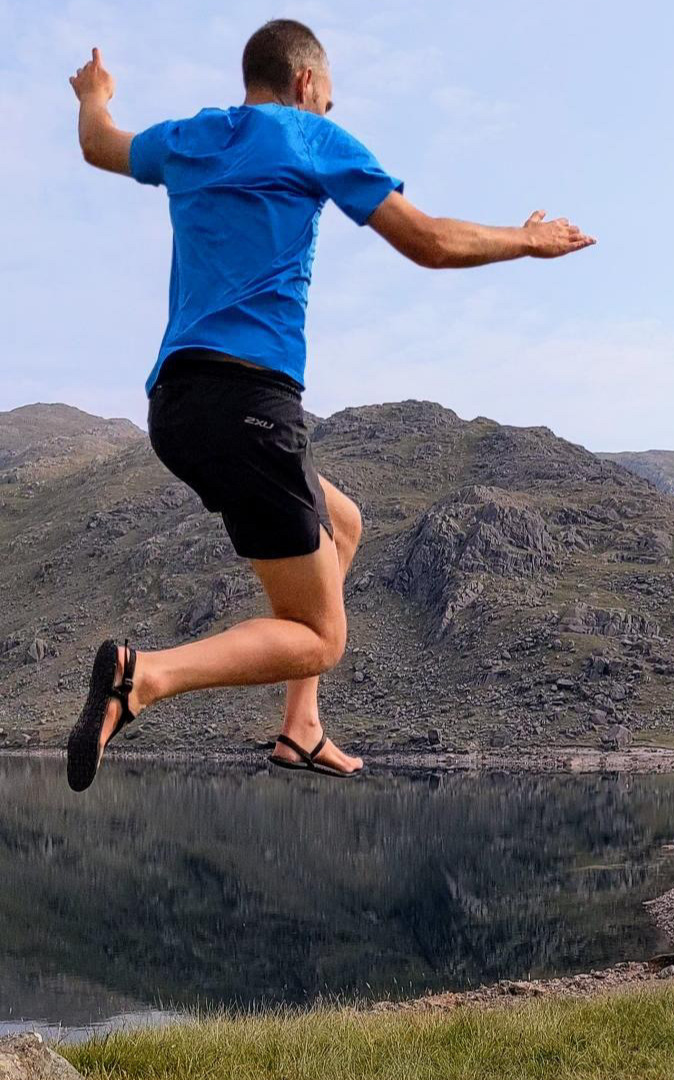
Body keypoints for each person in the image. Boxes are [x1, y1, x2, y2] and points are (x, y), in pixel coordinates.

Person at [65, 19, 595, 791]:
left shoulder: (188, 138)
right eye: (328, 99)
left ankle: (301, 727)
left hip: (176, 404)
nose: (327, 109)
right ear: (307, 83)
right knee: (321, 637)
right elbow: (429, 241)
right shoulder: (309, 137)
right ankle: (141, 678)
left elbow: (98, 143)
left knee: (343, 524)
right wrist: (527, 239)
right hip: (249, 400)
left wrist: (96, 93)